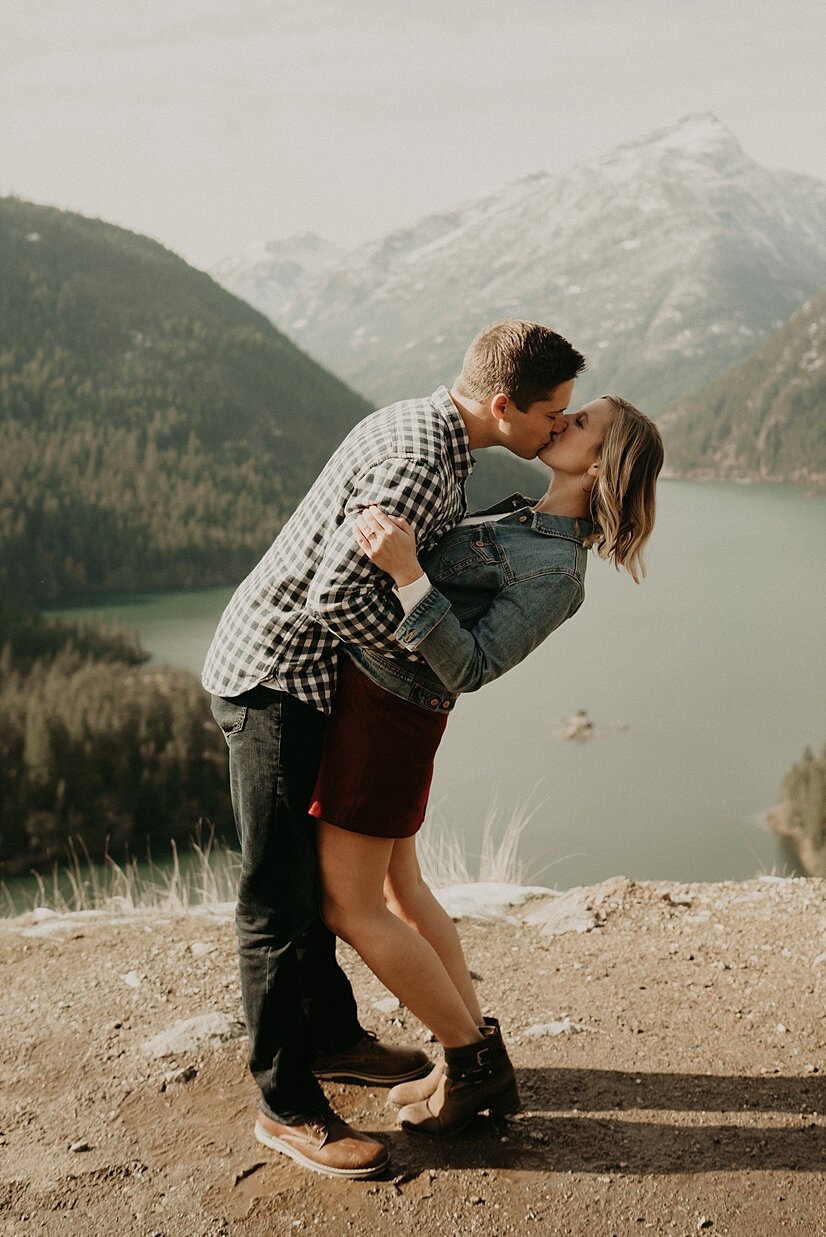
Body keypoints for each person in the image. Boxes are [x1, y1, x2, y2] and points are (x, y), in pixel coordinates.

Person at [202, 320, 587, 1178]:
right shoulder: (422, 458)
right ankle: (287, 1108)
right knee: (277, 902)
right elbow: (342, 592)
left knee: (315, 884)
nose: (557, 427)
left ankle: (333, 1039)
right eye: (553, 413)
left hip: (315, 684)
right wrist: (418, 660)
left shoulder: (437, 437)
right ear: (503, 406)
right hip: (277, 679)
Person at [310, 395, 664, 1136]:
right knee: (402, 888)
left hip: (391, 717)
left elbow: (470, 664)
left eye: (581, 422)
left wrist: (408, 572)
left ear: (598, 462)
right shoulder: (525, 517)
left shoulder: (558, 570)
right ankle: (474, 1058)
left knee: (350, 904)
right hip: (387, 706)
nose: (561, 421)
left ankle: (471, 1063)